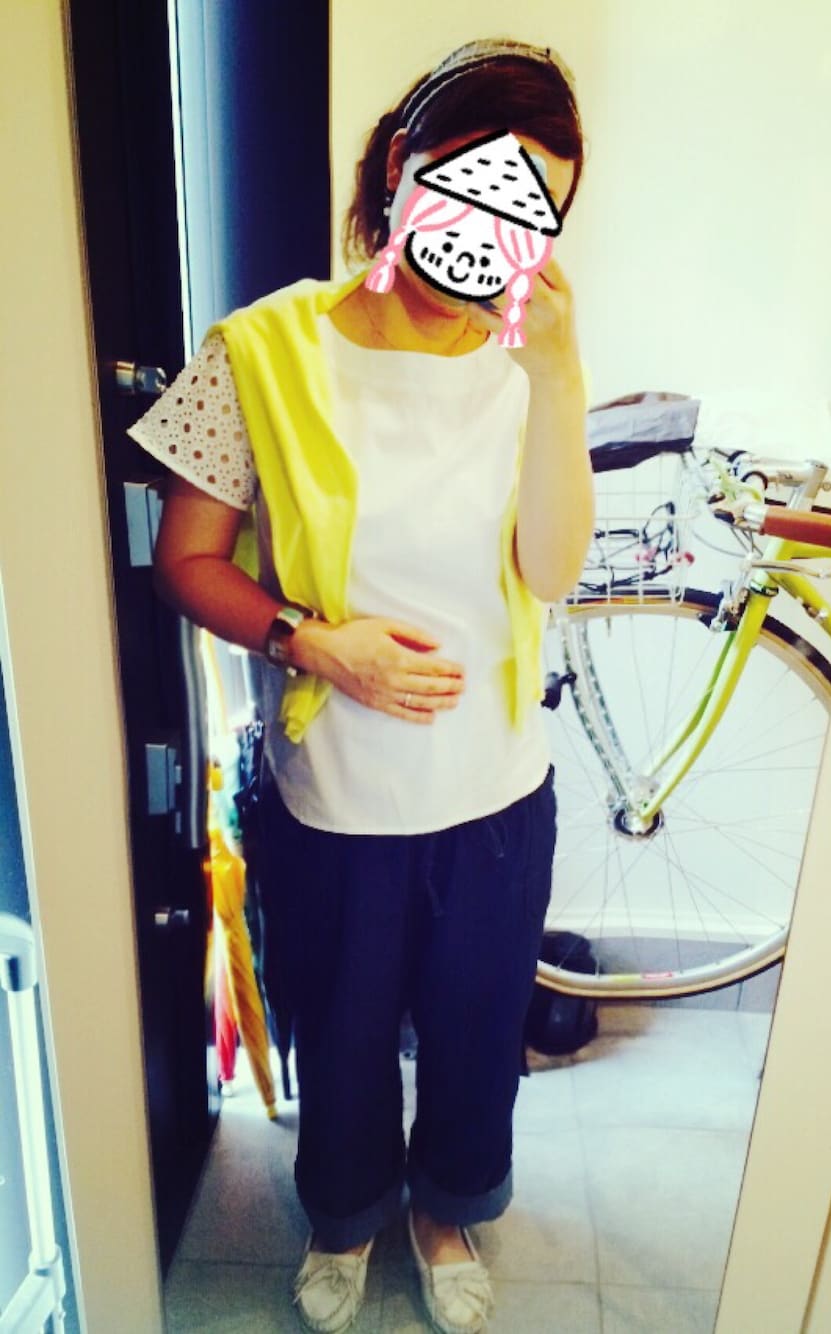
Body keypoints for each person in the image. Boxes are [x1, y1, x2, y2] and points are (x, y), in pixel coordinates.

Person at [129, 37, 593, 1334]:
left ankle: (446, 1212)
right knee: (339, 1037)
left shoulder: (533, 361)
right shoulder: (263, 349)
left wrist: (558, 380)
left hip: (496, 797)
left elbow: (552, 571)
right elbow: (185, 561)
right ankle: (343, 1217)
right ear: (402, 166)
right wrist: (312, 641)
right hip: (334, 798)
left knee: (475, 1034)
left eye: (531, 214)